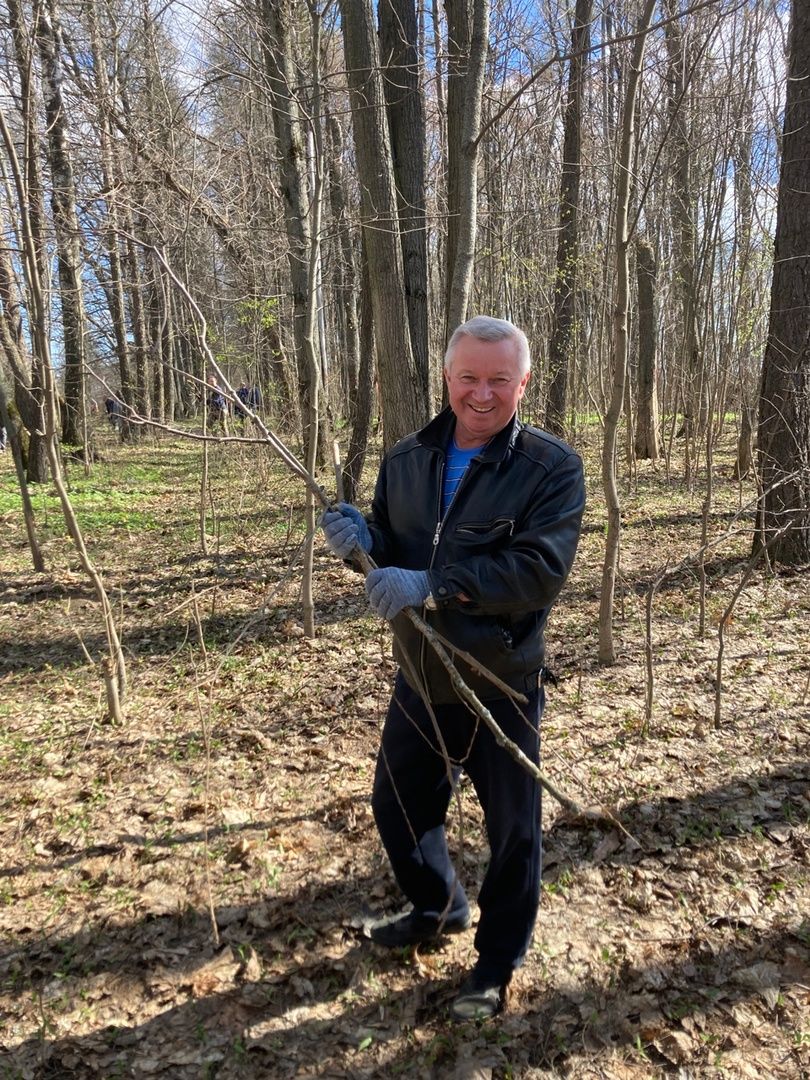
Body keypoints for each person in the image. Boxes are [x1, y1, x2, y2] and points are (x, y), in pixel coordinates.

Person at [321, 315, 585, 1021]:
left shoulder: (550, 468)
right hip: (421, 672)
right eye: (469, 377)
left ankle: (497, 964)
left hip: (502, 679)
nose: (483, 393)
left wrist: (435, 584)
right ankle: (439, 907)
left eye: (500, 379)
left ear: (524, 382)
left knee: (513, 833)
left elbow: (538, 570)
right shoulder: (407, 459)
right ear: (447, 378)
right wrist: (359, 542)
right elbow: (389, 542)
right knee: (397, 806)